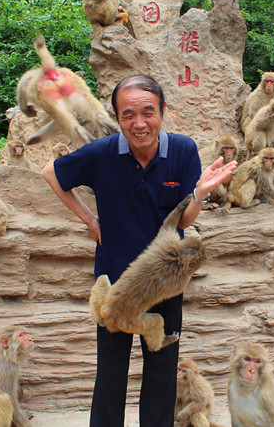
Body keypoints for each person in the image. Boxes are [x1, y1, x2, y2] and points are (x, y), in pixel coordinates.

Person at [43, 74, 237, 427]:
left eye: (148, 112)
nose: (139, 122)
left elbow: (184, 218)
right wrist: (90, 220)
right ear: (117, 118)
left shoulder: (182, 150)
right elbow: (51, 173)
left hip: (165, 280)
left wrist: (200, 193)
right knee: (111, 374)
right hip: (117, 281)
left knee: (162, 370)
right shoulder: (102, 153)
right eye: (128, 114)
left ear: (162, 111)